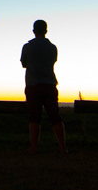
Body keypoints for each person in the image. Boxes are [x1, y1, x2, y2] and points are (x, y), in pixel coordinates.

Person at [20, 19, 67, 154]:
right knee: (55, 117)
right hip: (50, 84)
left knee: (34, 117)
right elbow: (53, 61)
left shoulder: (27, 47)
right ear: (46, 31)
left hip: (33, 85)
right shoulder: (52, 47)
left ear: (34, 31)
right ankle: (63, 147)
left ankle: (34, 147)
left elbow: (24, 64)